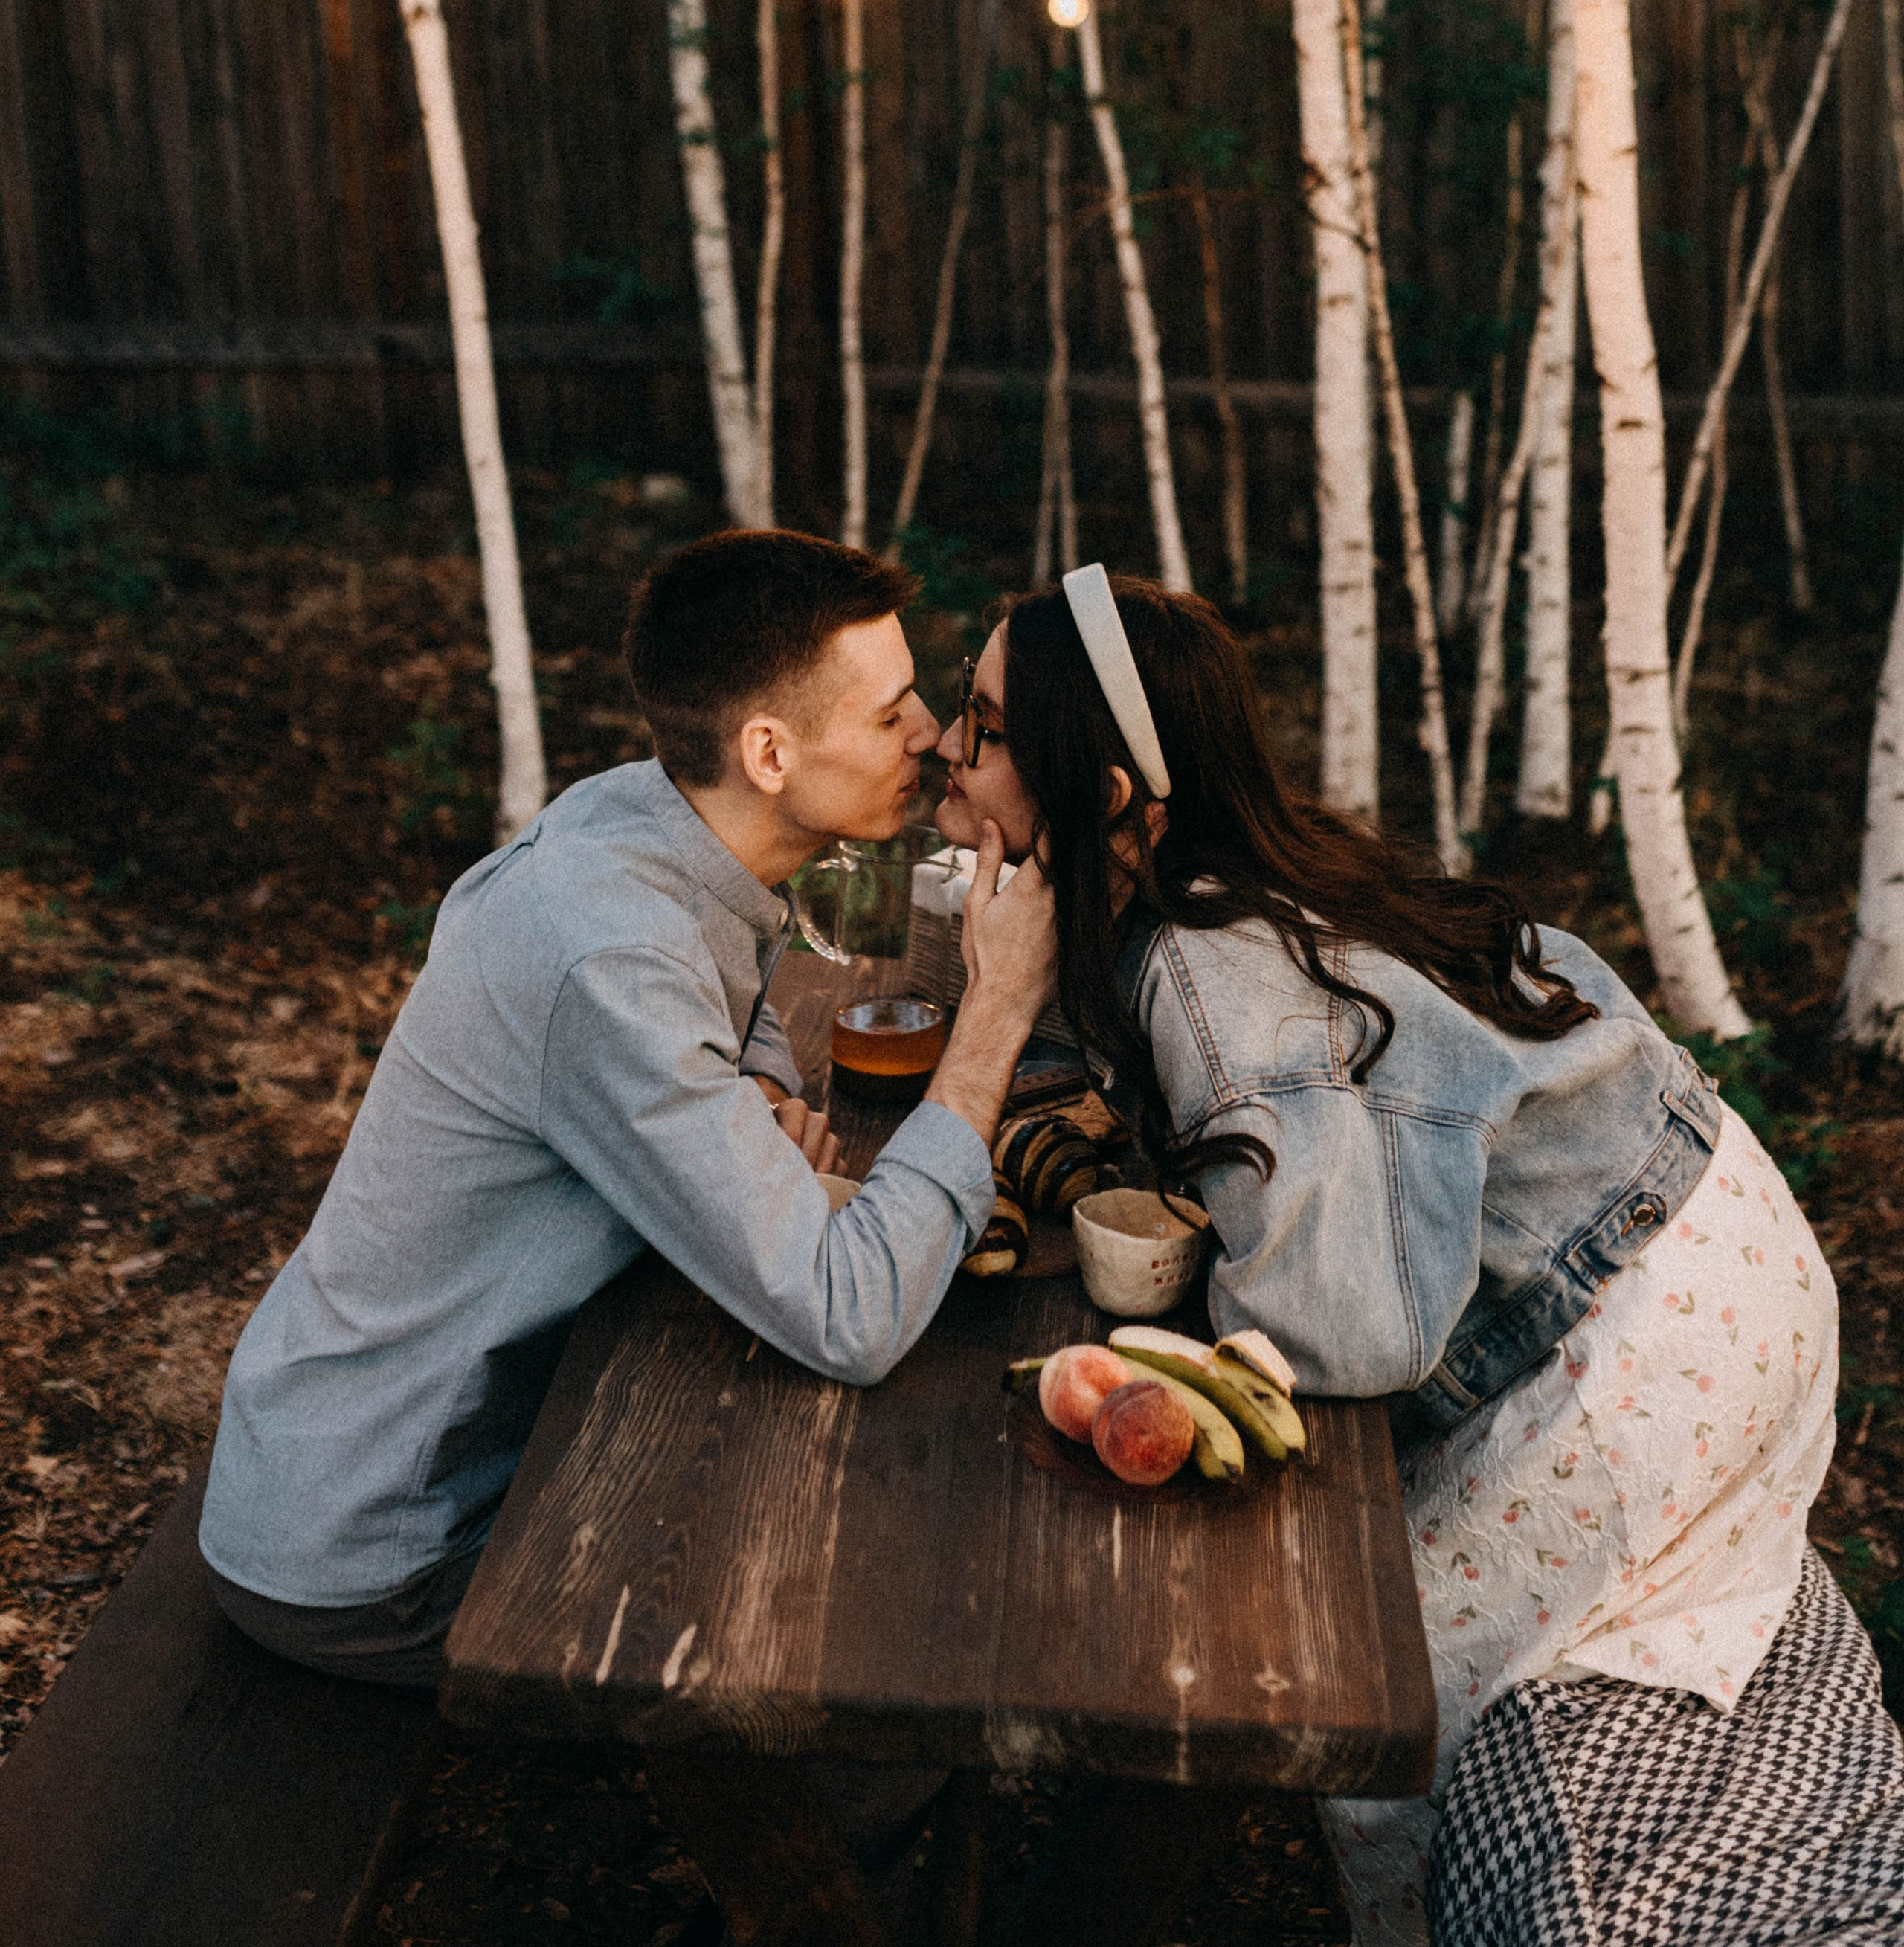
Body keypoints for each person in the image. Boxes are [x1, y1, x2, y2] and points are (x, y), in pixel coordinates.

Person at [936, 567, 1903, 1947]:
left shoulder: (1215, 968)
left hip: (1649, 1350)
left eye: (983, 727)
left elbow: (1341, 1335)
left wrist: (1210, 1299)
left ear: (1099, 799)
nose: (945, 754)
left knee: (1369, 1682)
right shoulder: (1264, 866)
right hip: (1717, 1215)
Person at [199, 527, 1053, 1685]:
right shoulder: (603, 952)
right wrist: (996, 1017)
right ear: (767, 752)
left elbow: (733, 992)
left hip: (408, 1447)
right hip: (380, 1543)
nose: (934, 737)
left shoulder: (643, 820)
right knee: (862, 1598)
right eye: (891, 710)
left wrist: (739, 1097)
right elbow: (850, 1315)